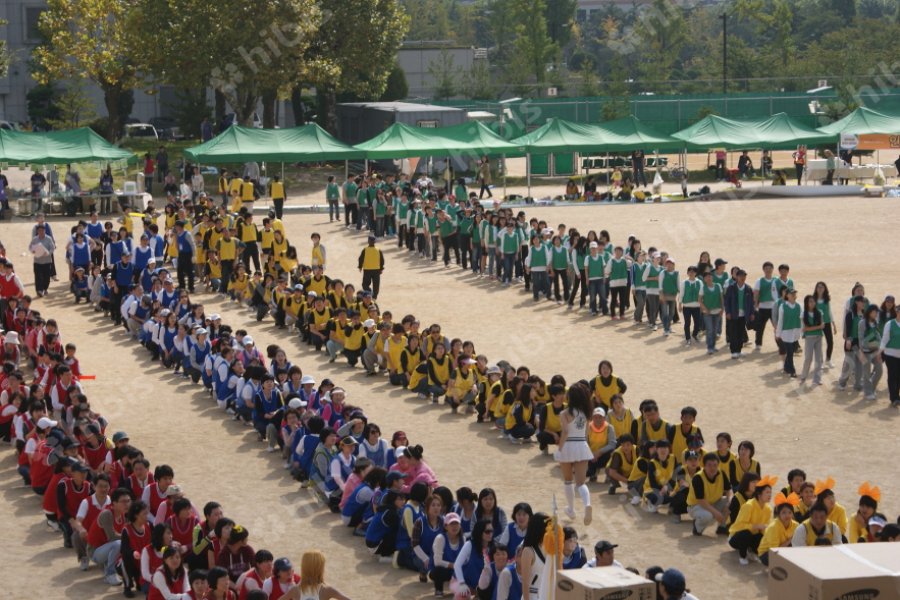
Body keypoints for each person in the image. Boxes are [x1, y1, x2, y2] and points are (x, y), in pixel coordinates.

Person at [554, 383, 593, 525]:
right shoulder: (586, 413)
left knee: (568, 480)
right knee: (581, 483)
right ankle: (587, 504)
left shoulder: (565, 413)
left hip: (568, 446)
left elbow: (565, 432)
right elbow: (587, 433)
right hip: (582, 444)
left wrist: (559, 450)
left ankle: (571, 509)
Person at [687, 452, 731, 536]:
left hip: (713, 502)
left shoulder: (721, 473)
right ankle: (697, 527)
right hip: (696, 506)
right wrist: (716, 513)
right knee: (708, 516)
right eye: (709, 465)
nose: (713, 468)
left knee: (733, 503)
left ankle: (722, 527)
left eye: (715, 465)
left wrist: (729, 502)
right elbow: (701, 501)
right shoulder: (698, 478)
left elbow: (729, 490)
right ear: (704, 466)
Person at [30, 224, 56, 297]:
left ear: (45, 231)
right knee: (38, 276)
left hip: (47, 261)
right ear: (37, 231)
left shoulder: (49, 239)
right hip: (37, 261)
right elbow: (30, 247)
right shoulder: (35, 239)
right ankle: (39, 290)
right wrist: (33, 251)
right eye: (39, 230)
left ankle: (45, 289)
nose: (41, 232)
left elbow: (52, 248)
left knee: (46, 277)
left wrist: (48, 253)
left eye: (42, 230)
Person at [358, 235, 384, 300]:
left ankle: (370, 293)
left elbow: (361, 259)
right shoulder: (378, 250)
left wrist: (360, 266)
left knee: (365, 285)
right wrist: (381, 268)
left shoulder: (365, 250)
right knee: (376, 285)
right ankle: (374, 296)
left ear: (368, 241)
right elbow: (382, 260)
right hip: (376, 270)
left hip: (367, 270)